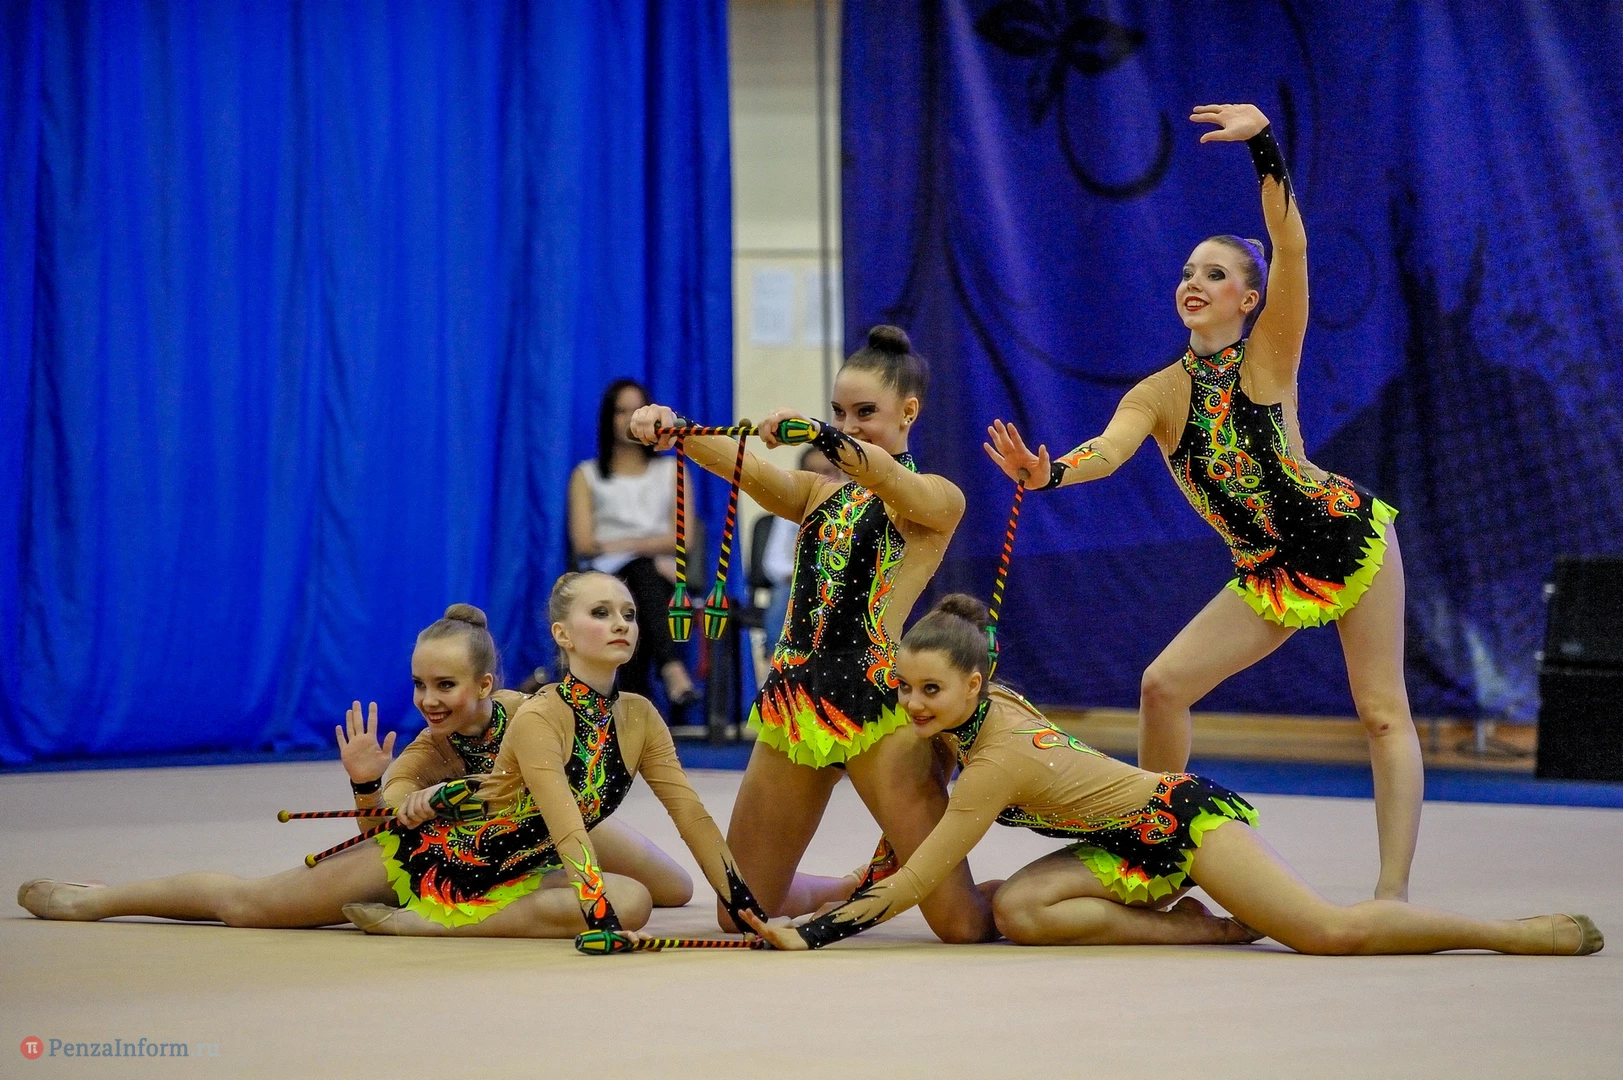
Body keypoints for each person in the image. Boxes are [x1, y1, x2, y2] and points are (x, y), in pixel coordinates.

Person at [987, 102, 1423, 900]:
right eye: (1188, 271)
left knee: (1380, 712)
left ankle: (1391, 893)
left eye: (1215, 274)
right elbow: (1108, 450)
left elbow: (1290, 246)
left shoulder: (1267, 356)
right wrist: (1048, 474)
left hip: (1345, 537)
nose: (1194, 283)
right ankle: (1160, 847)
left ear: (1248, 300)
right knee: (1162, 685)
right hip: (1267, 570)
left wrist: (1262, 145)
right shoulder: (1158, 392)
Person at [743, 595, 1604, 957]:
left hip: (1181, 821)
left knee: (1326, 933)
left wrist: (815, 931)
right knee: (1018, 911)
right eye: (904, 689)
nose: (910, 705)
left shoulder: (993, 757)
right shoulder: (974, 711)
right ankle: (1198, 931)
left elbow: (924, 871)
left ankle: (1513, 933)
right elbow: (917, 859)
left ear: (974, 685)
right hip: (1121, 842)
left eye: (929, 691)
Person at [19, 576, 765, 939]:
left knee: (668, 889)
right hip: (447, 851)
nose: (428, 700)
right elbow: (382, 829)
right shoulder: (429, 747)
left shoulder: (527, 712)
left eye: (445, 686)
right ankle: (99, 899)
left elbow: (646, 802)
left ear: (485, 685)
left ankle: (501, 897)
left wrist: (744, 901)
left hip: (533, 834)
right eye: (419, 686)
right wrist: (373, 784)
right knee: (251, 908)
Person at [630, 326, 996, 943]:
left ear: (909, 412)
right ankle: (841, 888)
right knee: (739, 911)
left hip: (880, 704)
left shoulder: (934, 499)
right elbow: (745, 466)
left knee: (960, 925)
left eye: (865, 413)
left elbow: (891, 479)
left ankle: (1041, 896)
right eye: (839, 412)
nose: (849, 425)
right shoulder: (817, 494)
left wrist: (824, 436)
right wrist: (678, 430)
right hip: (797, 701)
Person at [569, 378, 699, 707]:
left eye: (637, 410)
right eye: (621, 411)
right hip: (605, 576)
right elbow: (585, 543)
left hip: (664, 575)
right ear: (607, 418)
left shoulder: (672, 471)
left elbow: (684, 538)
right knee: (639, 577)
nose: (629, 419)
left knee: (642, 582)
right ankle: (670, 668)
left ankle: (635, 702)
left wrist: (621, 545)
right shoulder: (586, 475)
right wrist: (647, 549)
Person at [753, 446, 844, 673]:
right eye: (813, 471)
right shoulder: (788, 512)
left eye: (828, 471)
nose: (820, 478)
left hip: (837, 585)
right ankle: (777, 663)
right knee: (786, 594)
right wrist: (801, 573)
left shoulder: (852, 512)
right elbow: (772, 562)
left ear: (840, 474)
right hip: (793, 583)